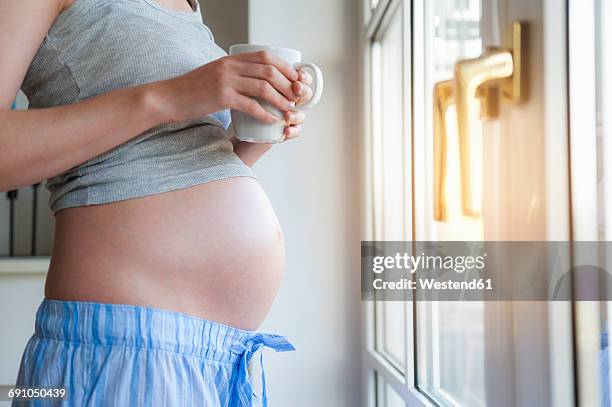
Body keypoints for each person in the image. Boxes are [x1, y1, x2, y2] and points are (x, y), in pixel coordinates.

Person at [0, 0, 314, 405]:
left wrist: (246, 142)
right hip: (120, 351)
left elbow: (157, 163)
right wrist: (170, 96)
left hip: (220, 361)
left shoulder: (186, 6)